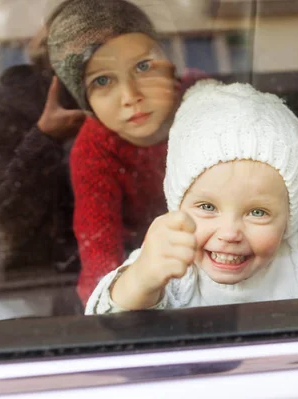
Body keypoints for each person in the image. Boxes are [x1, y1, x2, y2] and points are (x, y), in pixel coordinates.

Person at [85, 80, 298, 315]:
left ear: (290, 220)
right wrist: (142, 280)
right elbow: (105, 316)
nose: (230, 232)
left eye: (258, 212)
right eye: (207, 207)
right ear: (177, 208)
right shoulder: (170, 265)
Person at [47, 0, 190, 303]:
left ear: (169, 67)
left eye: (143, 66)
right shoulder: (93, 148)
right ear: (85, 102)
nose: (131, 96)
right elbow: (100, 260)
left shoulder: (203, 104)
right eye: (102, 81)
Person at [0, 23, 85, 277]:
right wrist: (45, 136)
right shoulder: (6, 108)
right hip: (34, 279)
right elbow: (4, 214)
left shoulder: (135, 102)